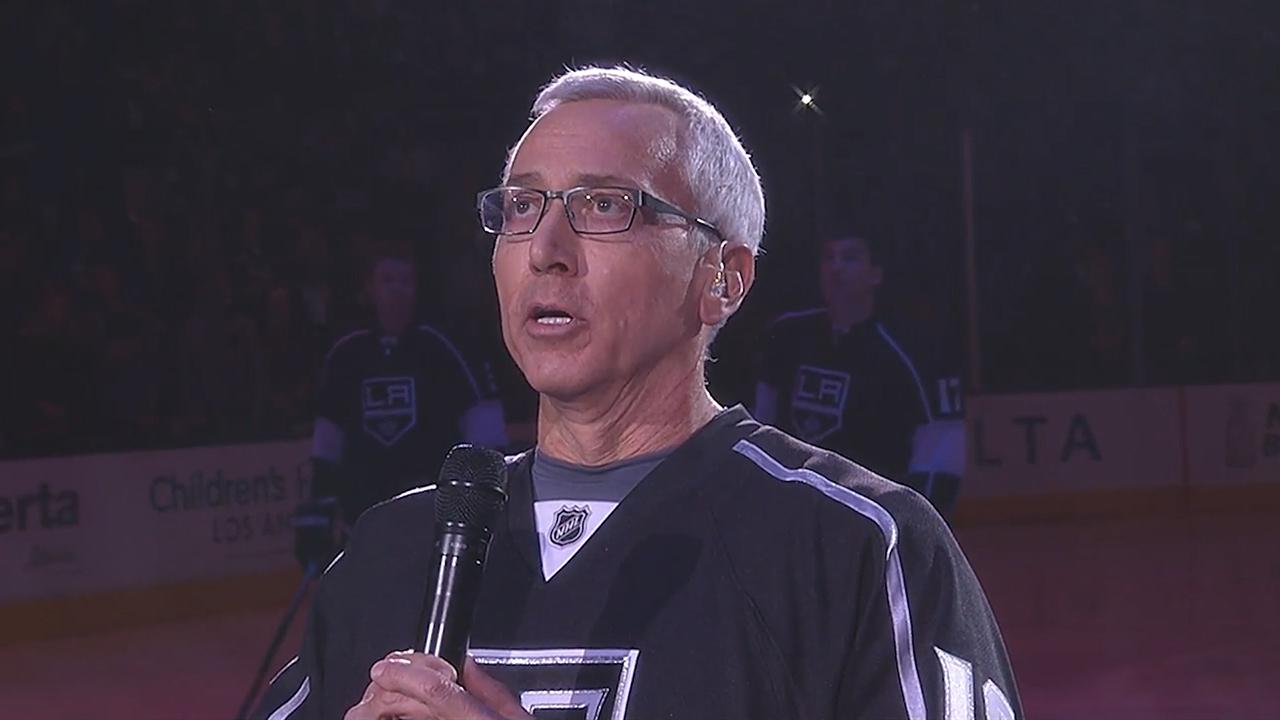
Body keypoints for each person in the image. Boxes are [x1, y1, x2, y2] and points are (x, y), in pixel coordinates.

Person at [256, 67, 1020, 720]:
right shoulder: (392, 553)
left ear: (723, 279)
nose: (545, 251)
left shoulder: (861, 549)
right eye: (522, 206)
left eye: (604, 206)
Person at [309, 244, 508, 530]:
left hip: (431, 516)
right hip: (363, 517)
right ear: (370, 288)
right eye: (388, 281)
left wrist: (484, 497)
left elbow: (486, 428)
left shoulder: (444, 348)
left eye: (405, 281)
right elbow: (327, 440)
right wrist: (321, 504)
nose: (397, 290)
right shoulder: (346, 355)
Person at [753, 233, 931, 484]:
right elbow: (762, 418)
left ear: (875, 275)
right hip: (790, 495)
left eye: (849, 258)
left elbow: (924, 445)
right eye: (829, 257)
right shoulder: (787, 335)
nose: (836, 268)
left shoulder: (896, 357)